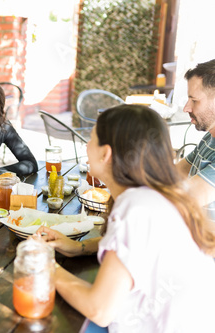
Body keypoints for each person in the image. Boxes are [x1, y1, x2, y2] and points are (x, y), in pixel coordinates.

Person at [34, 104, 215, 331]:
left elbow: (99, 309)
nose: (86, 145)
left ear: (106, 153)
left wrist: (44, 265)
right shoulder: (155, 197)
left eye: (91, 139)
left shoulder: (137, 206)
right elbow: (137, 247)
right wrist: (77, 247)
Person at [175, 59, 215, 220]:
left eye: (194, 100)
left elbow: (185, 200)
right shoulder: (209, 137)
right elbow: (176, 173)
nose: (186, 108)